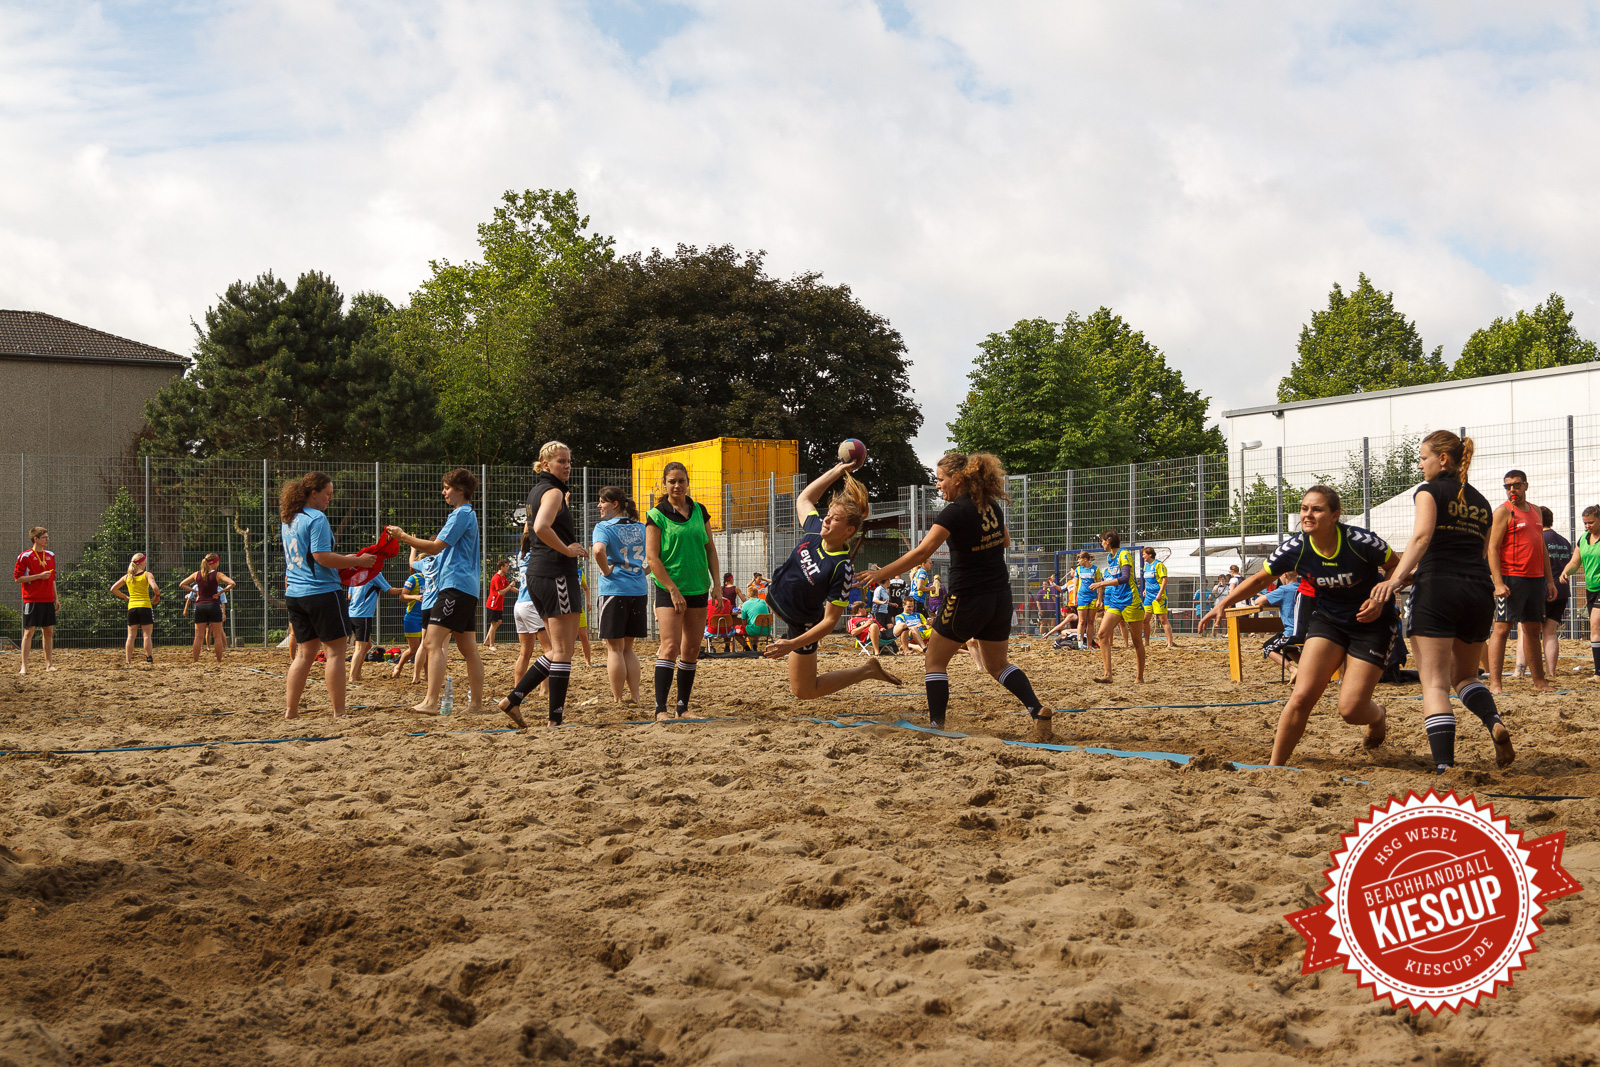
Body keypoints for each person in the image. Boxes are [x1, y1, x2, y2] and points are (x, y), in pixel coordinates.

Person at [855, 452, 1050, 739]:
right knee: (998, 665)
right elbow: (1006, 540)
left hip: (968, 597)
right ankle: (1036, 709)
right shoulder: (990, 506)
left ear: (958, 480)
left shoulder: (955, 511)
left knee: (934, 660)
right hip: (999, 595)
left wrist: (880, 573)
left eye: (941, 480)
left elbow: (922, 552)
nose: (938, 485)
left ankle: (936, 726)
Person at [1201, 486, 1397, 766]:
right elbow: (1258, 580)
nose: (1307, 514)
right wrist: (1224, 604)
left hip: (1372, 623)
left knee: (1351, 709)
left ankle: (1377, 715)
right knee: (1302, 695)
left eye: (1316, 509)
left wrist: (1380, 597)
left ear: (1334, 516)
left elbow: (1396, 568)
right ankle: (1275, 766)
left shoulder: (1361, 541)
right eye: (1304, 508)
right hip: (1329, 621)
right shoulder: (1296, 547)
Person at [1369, 431, 1513, 772]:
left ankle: (1445, 766)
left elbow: (1421, 538)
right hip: (1478, 592)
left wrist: (1394, 578)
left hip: (1438, 590)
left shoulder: (1429, 491)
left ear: (1442, 459)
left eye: (1423, 458)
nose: (1420, 465)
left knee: (1433, 682)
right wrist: (1410, 573)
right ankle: (1493, 720)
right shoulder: (1481, 502)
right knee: (1465, 676)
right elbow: (1473, 552)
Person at [761, 460, 901, 696]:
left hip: (802, 625)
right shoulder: (815, 529)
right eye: (828, 514)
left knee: (804, 691)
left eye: (835, 518)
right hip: (778, 602)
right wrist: (838, 470)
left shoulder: (841, 568)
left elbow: (828, 623)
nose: (826, 519)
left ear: (849, 530)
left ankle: (867, 670)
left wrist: (791, 644)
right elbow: (804, 499)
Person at [498, 442, 589, 729]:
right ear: (546, 464)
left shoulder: (537, 491)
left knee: (556, 649)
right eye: (561, 461)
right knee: (563, 651)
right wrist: (567, 550)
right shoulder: (552, 492)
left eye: (569, 461)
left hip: (538, 575)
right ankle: (555, 721)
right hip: (555, 573)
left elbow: (532, 530)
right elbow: (540, 528)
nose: (567, 466)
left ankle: (513, 699)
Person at [386, 468, 486, 717]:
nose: (443, 492)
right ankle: (476, 704)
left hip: (455, 587)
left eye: (447, 488)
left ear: (460, 490)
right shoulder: (466, 513)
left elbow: (434, 547)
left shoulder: (461, 513)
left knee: (431, 642)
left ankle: (431, 702)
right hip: (465, 587)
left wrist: (403, 536)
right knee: (468, 649)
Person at [279, 473, 376, 719]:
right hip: (321, 592)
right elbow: (321, 556)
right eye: (327, 494)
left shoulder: (289, 519)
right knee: (335, 653)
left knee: (303, 654)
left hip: (295, 594)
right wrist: (357, 560)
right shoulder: (317, 518)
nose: (330, 498)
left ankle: (291, 712)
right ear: (314, 493)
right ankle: (339, 712)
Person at [645, 460, 719, 720]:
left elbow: (710, 549)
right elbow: (652, 558)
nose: (677, 485)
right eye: (672, 481)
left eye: (681, 480)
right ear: (664, 485)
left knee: (691, 650)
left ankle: (682, 708)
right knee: (670, 646)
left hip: (698, 587)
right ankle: (660, 709)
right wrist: (672, 590)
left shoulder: (700, 510)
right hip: (670, 588)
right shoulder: (656, 514)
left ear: (688, 483)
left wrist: (717, 586)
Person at [1486, 468, 1556, 694]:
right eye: (1507, 486)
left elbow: (1543, 549)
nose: (1511, 490)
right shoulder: (1503, 512)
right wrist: (1498, 582)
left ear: (1526, 485)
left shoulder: (1536, 511)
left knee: (1533, 630)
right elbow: (1492, 548)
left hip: (1535, 580)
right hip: (1511, 578)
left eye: (1516, 485)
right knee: (1502, 629)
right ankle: (1496, 684)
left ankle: (1539, 681)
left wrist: (1550, 581)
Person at [592, 485, 648, 705]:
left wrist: (606, 571)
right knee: (628, 647)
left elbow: (598, 551)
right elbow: (656, 555)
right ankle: (635, 696)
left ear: (614, 504)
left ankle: (617, 698)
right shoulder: (642, 527)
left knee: (614, 648)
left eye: (602, 501)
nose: (599, 505)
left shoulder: (604, 527)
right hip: (638, 589)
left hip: (614, 590)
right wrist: (644, 571)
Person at [1517, 505, 1570, 680]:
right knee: (1551, 632)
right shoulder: (1564, 541)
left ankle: (1520, 670)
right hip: (1561, 591)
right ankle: (1551, 672)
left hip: (1540, 588)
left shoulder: (1537, 538)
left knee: (1524, 630)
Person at [1089, 531, 1145, 683]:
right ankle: (1108, 675)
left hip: (1130, 601)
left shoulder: (1124, 554)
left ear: (1108, 541)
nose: (1101, 544)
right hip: (1115, 601)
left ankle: (1139, 677)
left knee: (1136, 641)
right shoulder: (1110, 557)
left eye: (1102, 541)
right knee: (1102, 634)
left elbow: (1125, 578)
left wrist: (1101, 583)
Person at [1559, 504, 1600, 681]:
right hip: (1591, 589)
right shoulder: (1583, 539)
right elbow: (1575, 562)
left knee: (1595, 625)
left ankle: (1598, 673)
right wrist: (1566, 571)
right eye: (1585, 523)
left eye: (1590, 522)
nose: (1587, 526)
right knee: (1597, 628)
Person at [510, 534, 552, 701]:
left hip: (519, 604)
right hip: (531, 604)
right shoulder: (539, 556)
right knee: (549, 650)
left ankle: (517, 691)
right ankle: (544, 690)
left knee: (524, 653)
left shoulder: (522, 556)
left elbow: (526, 533)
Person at [13, 526, 57, 673]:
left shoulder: (50, 555)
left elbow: (52, 579)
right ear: (36, 539)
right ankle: (24, 666)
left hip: (47, 599)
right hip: (31, 599)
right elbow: (18, 578)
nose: (47, 539)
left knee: (48, 631)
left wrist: (56, 598)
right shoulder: (24, 556)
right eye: (44, 537)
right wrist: (38, 576)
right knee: (29, 632)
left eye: (47, 536)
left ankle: (49, 664)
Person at [178, 553, 235, 664]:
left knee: (198, 636)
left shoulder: (197, 574)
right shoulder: (218, 575)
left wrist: (196, 592)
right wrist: (220, 592)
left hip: (200, 606)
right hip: (214, 605)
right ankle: (219, 661)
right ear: (214, 563)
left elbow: (182, 584)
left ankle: (195, 661)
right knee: (217, 636)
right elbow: (232, 583)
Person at [344, 568, 397, 682]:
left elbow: (349, 596)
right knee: (359, 648)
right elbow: (390, 590)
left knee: (367, 646)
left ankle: (357, 674)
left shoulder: (356, 574)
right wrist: (406, 590)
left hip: (351, 614)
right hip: (363, 615)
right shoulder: (375, 573)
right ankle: (353, 676)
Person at [110, 552, 160, 667]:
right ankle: (149, 657)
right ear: (141, 562)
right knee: (146, 635)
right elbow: (155, 587)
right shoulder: (147, 575)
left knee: (131, 636)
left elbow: (113, 589)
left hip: (132, 607)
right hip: (145, 606)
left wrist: (125, 597)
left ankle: (128, 660)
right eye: (145, 561)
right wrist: (157, 596)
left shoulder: (127, 577)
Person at [1252, 568, 1303, 673]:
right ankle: (1306, 670)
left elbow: (1258, 602)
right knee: (1289, 649)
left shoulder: (1284, 590)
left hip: (1292, 632)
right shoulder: (1303, 588)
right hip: (1308, 632)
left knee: (1268, 647)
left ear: (1284, 574)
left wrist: (1276, 601)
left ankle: (1293, 669)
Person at [391, 552, 430, 683]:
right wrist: (415, 597)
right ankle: (399, 666)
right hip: (413, 617)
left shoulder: (433, 577)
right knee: (413, 649)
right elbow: (402, 596)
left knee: (428, 648)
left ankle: (426, 675)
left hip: (427, 617)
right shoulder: (414, 578)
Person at [1139, 547, 1176, 649]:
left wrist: (1159, 594)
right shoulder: (1146, 566)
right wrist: (1145, 589)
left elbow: (1165, 580)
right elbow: (1147, 580)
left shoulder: (1158, 565)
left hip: (1158, 596)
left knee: (1163, 620)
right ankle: (1146, 643)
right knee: (1145, 620)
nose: (1143, 557)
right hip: (1148, 596)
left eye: (1144, 554)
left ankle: (1169, 643)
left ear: (1150, 555)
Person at [483, 559, 512, 651]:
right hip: (493, 604)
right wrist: (510, 586)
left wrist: (521, 591)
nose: (508, 568)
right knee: (494, 623)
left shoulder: (503, 577)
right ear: (502, 567)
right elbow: (500, 593)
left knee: (498, 622)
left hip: (498, 604)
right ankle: (491, 644)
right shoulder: (496, 578)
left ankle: (487, 641)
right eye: (506, 566)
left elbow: (509, 587)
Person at [1073, 552, 1099, 650]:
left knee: (1091, 621)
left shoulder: (1095, 569)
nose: (1078, 561)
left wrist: (1099, 599)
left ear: (1085, 559)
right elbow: (1075, 585)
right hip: (1082, 597)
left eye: (1079, 559)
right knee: (1082, 621)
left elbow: (1099, 584)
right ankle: (1080, 644)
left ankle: (1089, 645)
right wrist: (1073, 598)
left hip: (1092, 597)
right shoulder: (1078, 569)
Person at [705, 588, 737, 653]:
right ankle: (727, 647)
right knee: (727, 625)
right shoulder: (727, 602)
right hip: (726, 631)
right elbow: (730, 613)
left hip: (713, 630)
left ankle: (710, 646)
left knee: (704, 629)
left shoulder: (708, 603)